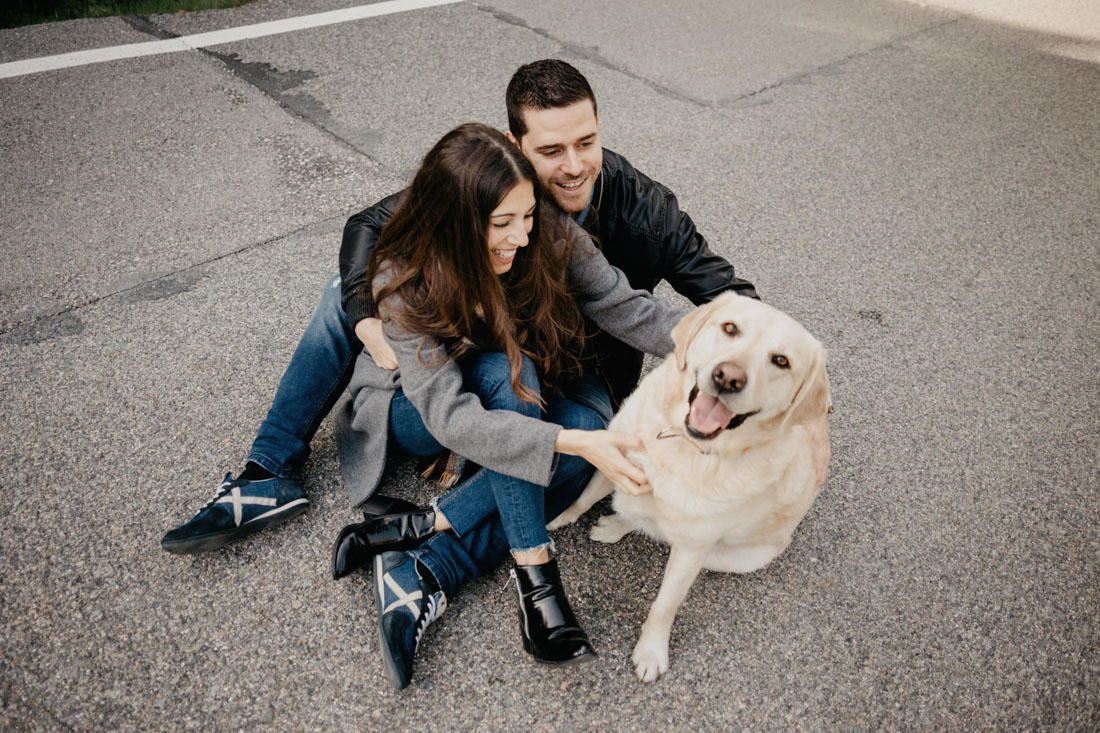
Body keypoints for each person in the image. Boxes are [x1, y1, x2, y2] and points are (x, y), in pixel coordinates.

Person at [161, 58, 811, 557]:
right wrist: (368, 316)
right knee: (348, 296)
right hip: (474, 353)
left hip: (574, 364)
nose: (575, 165)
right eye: (550, 151)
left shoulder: (644, 209)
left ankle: (437, 543)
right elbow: (374, 225)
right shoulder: (483, 179)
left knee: (583, 449)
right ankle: (267, 470)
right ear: (514, 145)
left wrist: (761, 370)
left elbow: (697, 298)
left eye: (586, 142)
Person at [332, 122, 683, 688]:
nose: (522, 236)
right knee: (518, 387)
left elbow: (628, 307)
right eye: (503, 223)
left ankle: (426, 542)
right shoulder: (405, 278)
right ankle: (537, 578)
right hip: (419, 411)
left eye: (526, 217)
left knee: (594, 433)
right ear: (455, 221)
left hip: (536, 381)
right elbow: (451, 416)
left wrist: (730, 340)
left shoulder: (545, 229)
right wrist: (564, 442)